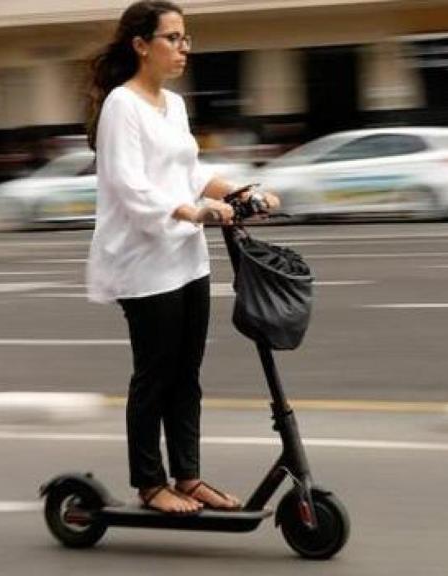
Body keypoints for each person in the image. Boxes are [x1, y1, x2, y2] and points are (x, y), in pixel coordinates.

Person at [84, 1, 279, 514]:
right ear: (141, 45)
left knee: (186, 374)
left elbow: (190, 173)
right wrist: (194, 213)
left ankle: (188, 477)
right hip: (143, 264)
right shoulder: (122, 106)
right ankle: (151, 484)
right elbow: (130, 187)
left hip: (187, 261)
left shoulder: (174, 105)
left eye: (186, 38)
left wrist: (241, 191)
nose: (183, 48)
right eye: (172, 38)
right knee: (155, 375)